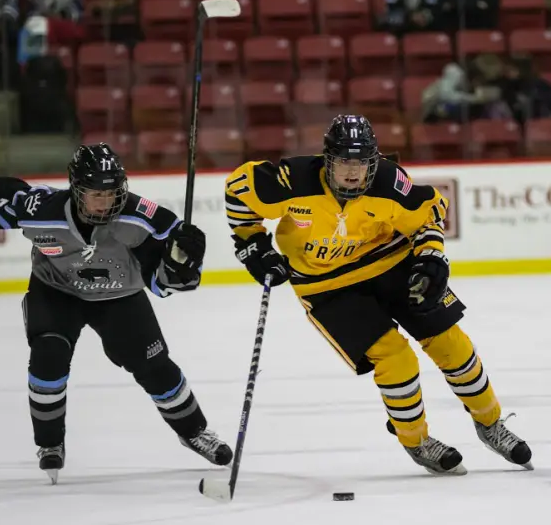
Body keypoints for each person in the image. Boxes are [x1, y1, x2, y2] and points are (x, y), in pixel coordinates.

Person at [224, 114, 532, 475]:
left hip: (392, 263)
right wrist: (251, 244)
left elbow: (427, 216)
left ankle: (490, 424)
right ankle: (415, 440)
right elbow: (238, 191)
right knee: (395, 358)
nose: (354, 173)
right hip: (326, 286)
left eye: (362, 163)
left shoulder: (388, 182)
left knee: (451, 342)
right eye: (344, 163)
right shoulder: (295, 181)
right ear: (328, 162)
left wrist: (432, 257)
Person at [0, 143, 233, 484]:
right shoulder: (41, 209)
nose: (106, 201)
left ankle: (193, 431)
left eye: (113, 192)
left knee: (155, 367)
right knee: (48, 356)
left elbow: (164, 285)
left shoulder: (143, 219)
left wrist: (183, 265)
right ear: (75, 189)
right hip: (55, 292)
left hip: (120, 296)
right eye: (96, 194)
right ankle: (50, 444)